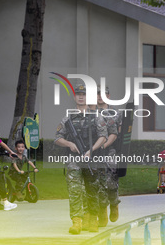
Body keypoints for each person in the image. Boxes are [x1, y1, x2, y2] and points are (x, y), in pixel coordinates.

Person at [55, 84, 107, 234]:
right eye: (78, 94)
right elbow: (57, 138)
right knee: (75, 190)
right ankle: (77, 221)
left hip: (91, 159)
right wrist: (69, 143)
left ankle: (92, 219)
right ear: (74, 97)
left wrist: (91, 150)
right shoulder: (67, 118)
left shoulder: (96, 116)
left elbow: (103, 136)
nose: (81, 96)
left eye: (84, 94)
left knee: (92, 190)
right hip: (74, 160)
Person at [96, 86, 120, 226]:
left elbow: (117, 134)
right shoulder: (90, 112)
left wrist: (103, 146)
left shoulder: (114, 113)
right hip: (94, 152)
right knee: (97, 182)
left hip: (109, 151)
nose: (100, 96)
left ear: (108, 96)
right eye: (98, 94)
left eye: (103, 94)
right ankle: (102, 212)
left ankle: (114, 204)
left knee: (111, 180)